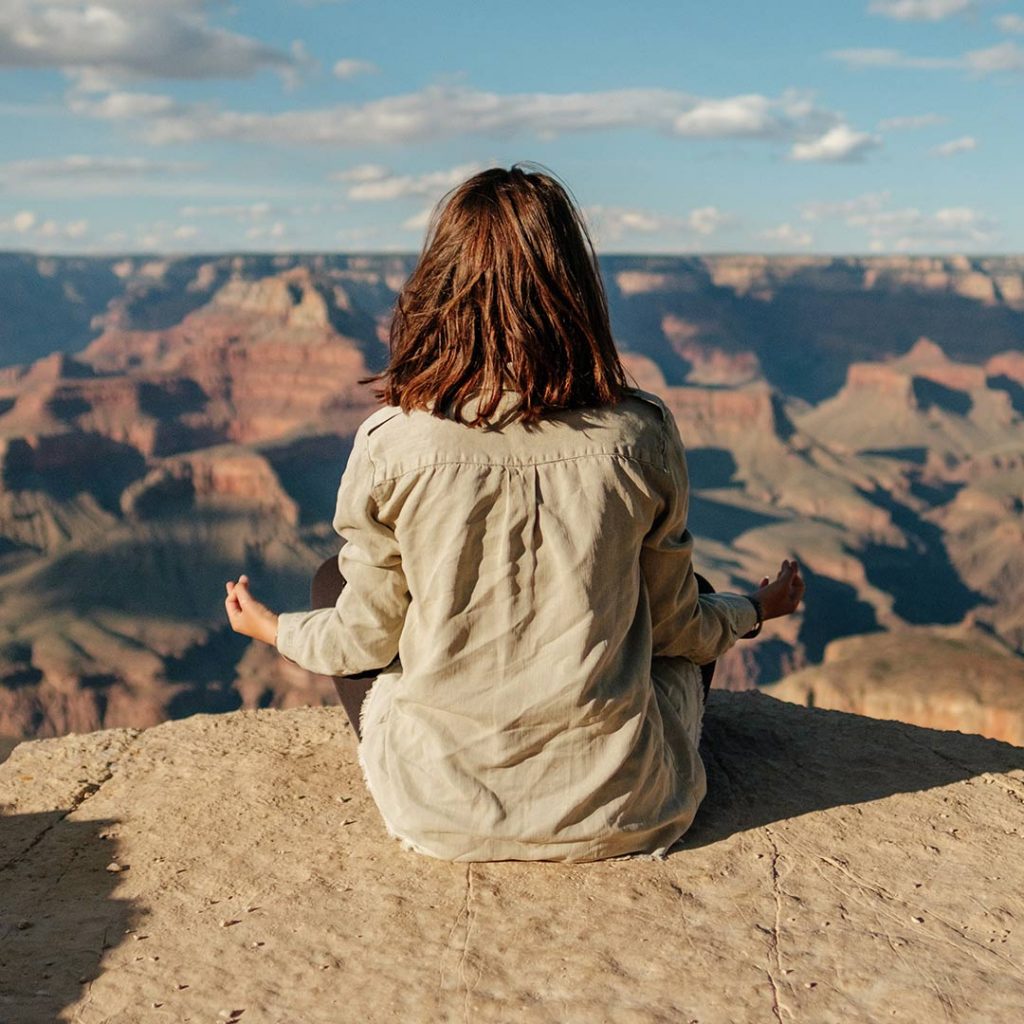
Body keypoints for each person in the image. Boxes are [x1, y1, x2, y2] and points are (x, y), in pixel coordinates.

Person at [224, 162, 805, 864]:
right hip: (627, 810)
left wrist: (271, 628)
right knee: (695, 593)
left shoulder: (392, 441)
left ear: (438, 288)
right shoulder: (638, 433)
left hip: (439, 815)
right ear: (575, 290)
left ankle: (453, 776)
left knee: (331, 585)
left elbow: (365, 642)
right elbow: (679, 628)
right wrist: (755, 608)